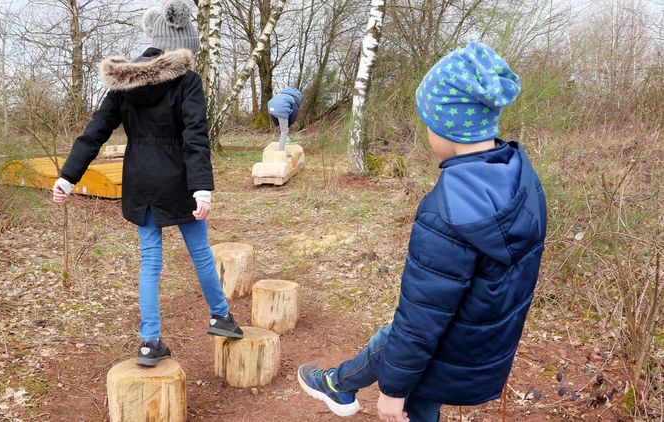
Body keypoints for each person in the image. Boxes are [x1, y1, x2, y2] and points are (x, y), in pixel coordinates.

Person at [297, 42, 547, 421]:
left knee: (399, 351)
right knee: (389, 340)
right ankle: (339, 384)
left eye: (429, 125)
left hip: (446, 351)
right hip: (485, 347)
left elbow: (422, 318)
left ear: (448, 128)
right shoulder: (521, 178)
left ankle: (340, 384)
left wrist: (393, 392)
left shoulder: (447, 210)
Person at [51, 0, 243, 368]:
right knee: (200, 252)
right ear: (183, 43)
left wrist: (67, 177)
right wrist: (202, 187)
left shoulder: (123, 82)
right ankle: (220, 317)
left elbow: (94, 133)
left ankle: (149, 341)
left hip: (140, 182)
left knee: (150, 260)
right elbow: (195, 136)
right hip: (179, 181)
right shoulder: (187, 80)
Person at [267, 87, 303, 152]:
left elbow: (273, 105)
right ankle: (280, 151)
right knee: (284, 130)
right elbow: (294, 114)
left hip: (270, 108)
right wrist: (289, 124)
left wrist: (276, 123)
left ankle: (284, 140)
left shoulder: (281, 94)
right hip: (281, 110)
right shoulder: (295, 99)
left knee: (283, 129)